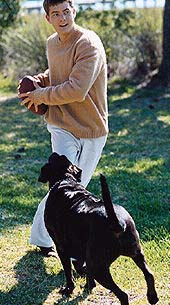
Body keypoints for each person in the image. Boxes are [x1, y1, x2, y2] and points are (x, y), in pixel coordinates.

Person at [18, 0, 108, 257]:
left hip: (91, 128)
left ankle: (65, 240)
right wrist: (41, 81)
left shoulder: (88, 43)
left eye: (66, 11)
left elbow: (77, 89)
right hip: (61, 125)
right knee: (63, 187)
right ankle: (45, 240)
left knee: (78, 185)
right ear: (47, 17)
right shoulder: (51, 43)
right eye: (55, 13)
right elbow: (58, 73)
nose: (62, 18)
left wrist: (41, 95)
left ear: (74, 12)